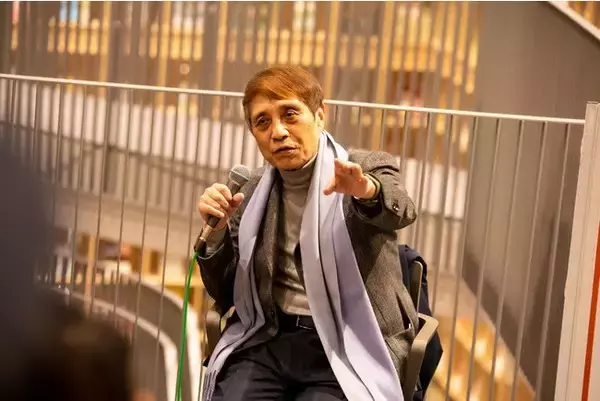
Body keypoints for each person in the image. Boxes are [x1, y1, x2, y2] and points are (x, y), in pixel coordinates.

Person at [196, 66, 419, 401]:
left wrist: (366, 191)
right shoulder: (250, 191)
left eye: (290, 114)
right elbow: (226, 292)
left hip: (349, 342)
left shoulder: (364, 167)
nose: (278, 131)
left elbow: (402, 209)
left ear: (319, 116)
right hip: (268, 337)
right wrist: (215, 234)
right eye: (263, 122)